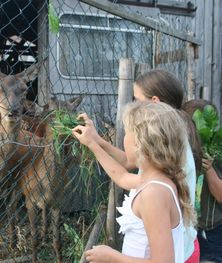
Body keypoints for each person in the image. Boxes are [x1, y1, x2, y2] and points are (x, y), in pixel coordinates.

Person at [79, 69, 199, 262]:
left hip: (182, 254)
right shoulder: (160, 170)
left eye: (128, 132)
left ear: (142, 141)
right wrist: (94, 142)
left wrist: (113, 257)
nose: (124, 137)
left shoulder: (154, 193)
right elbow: (122, 176)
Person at [182, 99, 222, 262]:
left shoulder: (216, 152)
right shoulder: (179, 153)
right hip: (185, 230)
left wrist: (209, 170)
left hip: (211, 230)